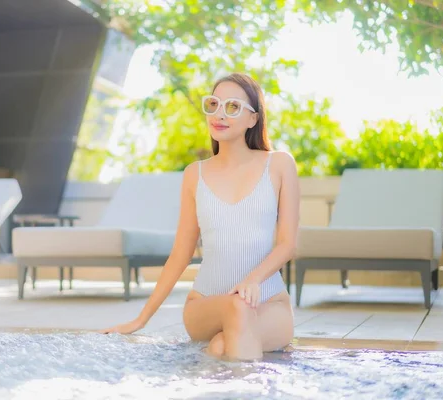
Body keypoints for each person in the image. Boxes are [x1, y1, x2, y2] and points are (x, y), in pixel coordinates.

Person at [100, 72, 299, 361]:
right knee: (235, 308)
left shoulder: (280, 164)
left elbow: (288, 244)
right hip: (205, 305)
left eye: (232, 107)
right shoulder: (195, 174)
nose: (220, 114)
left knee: (221, 344)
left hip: (270, 305)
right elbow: (180, 254)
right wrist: (140, 320)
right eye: (214, 104)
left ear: (253, 119)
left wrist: (253, 281)